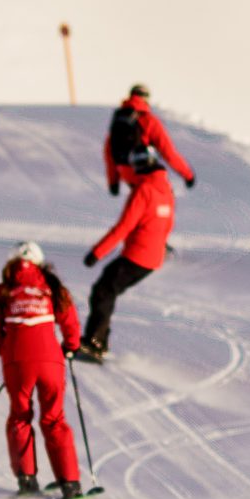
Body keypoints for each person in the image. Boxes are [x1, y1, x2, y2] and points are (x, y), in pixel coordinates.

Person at [0, 243, 86, 497]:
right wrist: (71, 346)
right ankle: (70, 483)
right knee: (54, 419)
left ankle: (26, 480)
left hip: (17, 361)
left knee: (20, 417)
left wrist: (4, 348)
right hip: (51, 360)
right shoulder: (53, 288)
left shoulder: (3, 290)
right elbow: (70, 320)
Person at [77, 149, 174, 359]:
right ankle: (98, 340)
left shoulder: (144, 190)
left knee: (103, 291)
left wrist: (97, 252)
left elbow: (124, 226)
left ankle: (95, 343)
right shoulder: (165, 188)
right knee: (107, 289)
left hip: (138, 255)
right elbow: (168, 222)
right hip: (152, 257)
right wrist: (161, 245)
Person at [103, 83, 195, 195]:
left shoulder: (119, 120)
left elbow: (110, 151)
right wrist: (188, 175)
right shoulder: (149, 120)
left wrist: (113, 182)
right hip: (144, 172)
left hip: (125, 172)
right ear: (146, 98)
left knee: (140, 200)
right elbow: (168, 152)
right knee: (162, 198)